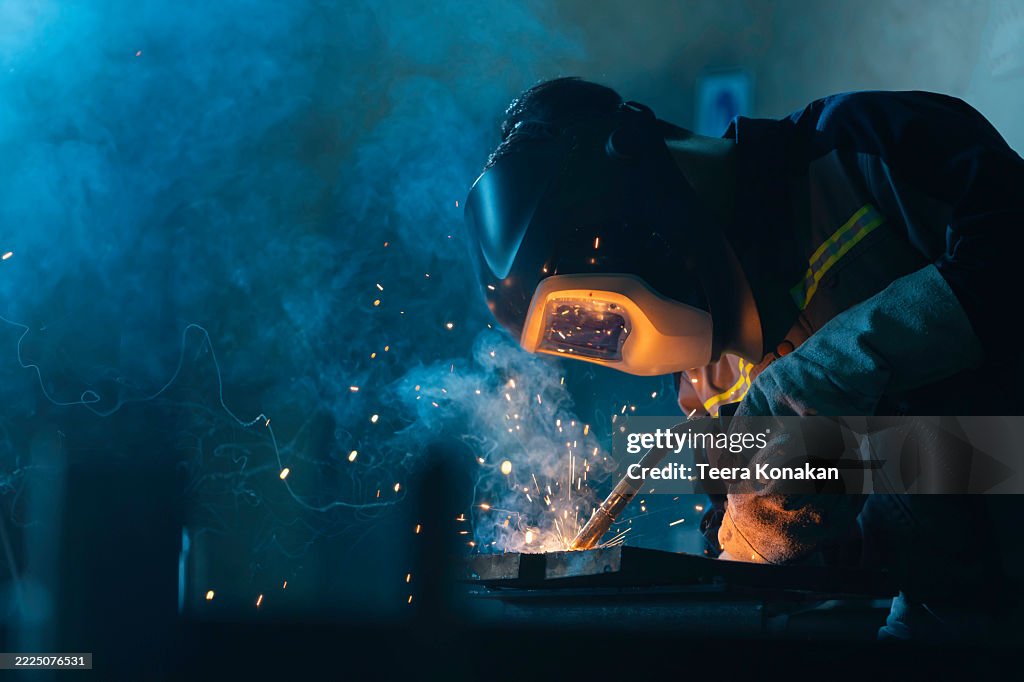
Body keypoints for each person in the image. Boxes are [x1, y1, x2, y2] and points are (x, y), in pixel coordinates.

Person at [462, 77, 1024, 640]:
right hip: (958, 617)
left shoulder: (858, 146)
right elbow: (778, 567)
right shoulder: (703, 381)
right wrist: (767, 534)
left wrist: (839, 365)